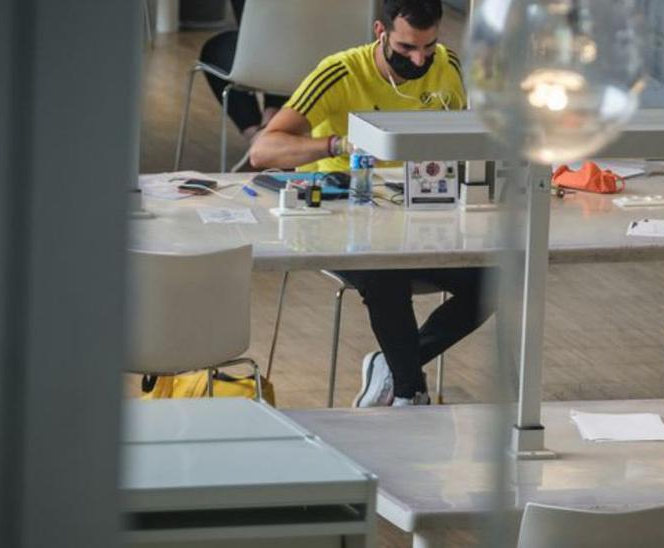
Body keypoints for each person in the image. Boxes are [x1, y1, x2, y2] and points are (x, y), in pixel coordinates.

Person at [251, 0, 487, 407]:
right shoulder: (340, 72)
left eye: (428, 48)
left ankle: (393, 364)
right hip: (341, 213)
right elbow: (264, 151)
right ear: (381, 31)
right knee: (386, 270)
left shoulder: (447, 65)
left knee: (494, 278)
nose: (419, 60)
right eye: (407, 48)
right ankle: (409, 392)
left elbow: (462, 136)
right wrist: (338, 143)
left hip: (417, 213)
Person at [198, 0, 289, 150]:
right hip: (329, 56)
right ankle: (265, 131)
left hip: (282, 55)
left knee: (215, 51)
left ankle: (260, 137)